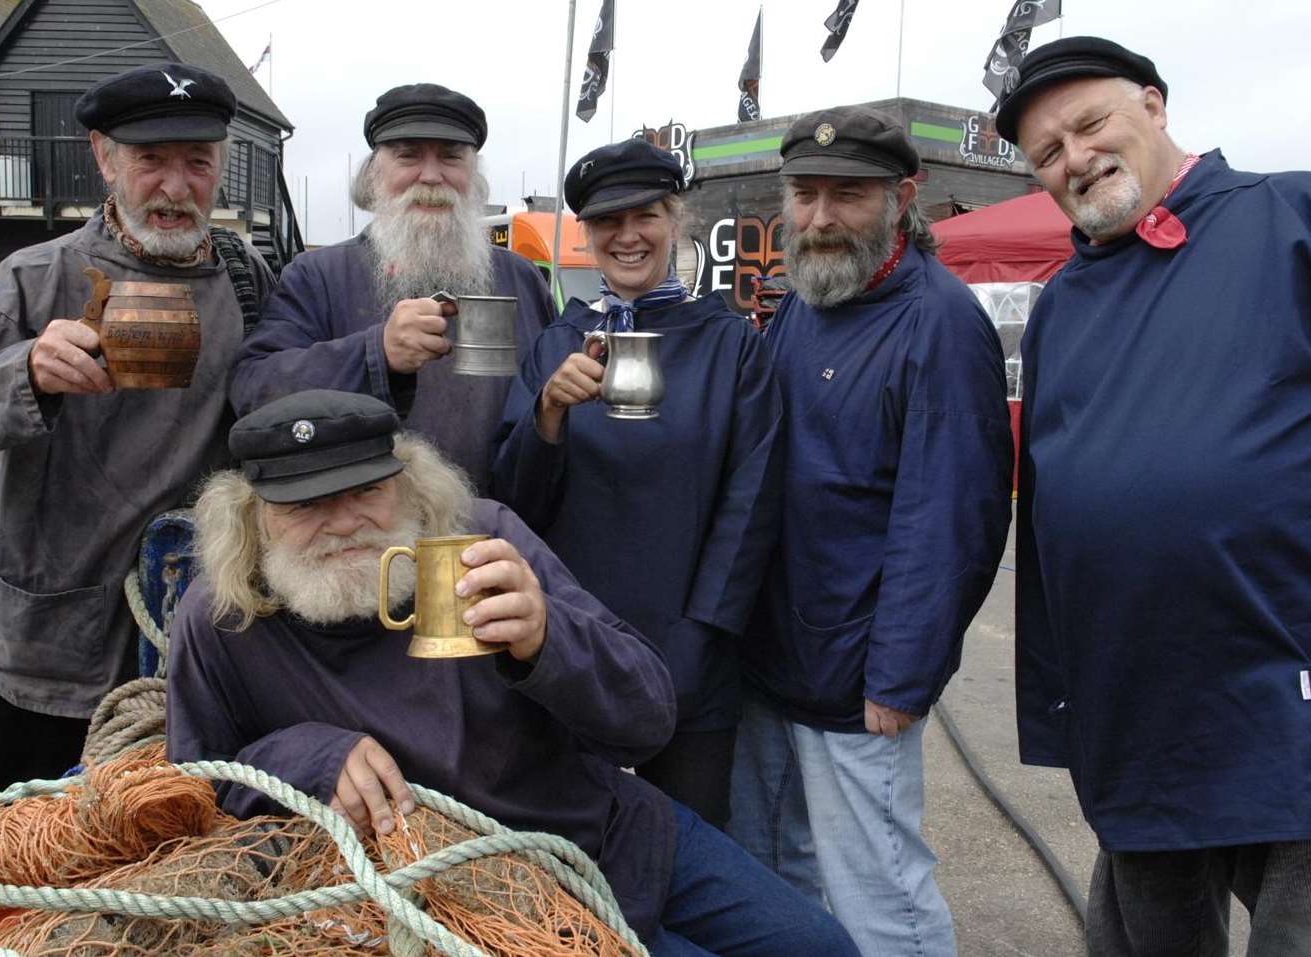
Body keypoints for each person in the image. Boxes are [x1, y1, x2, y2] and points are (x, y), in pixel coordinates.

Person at [165, 389, 858, 957]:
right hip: (459, 898)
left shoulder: (481, 540)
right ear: (252, 518)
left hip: (599, 829)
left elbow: (648, 718)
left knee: (822, 946)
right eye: (303, 504)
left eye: (366, 490)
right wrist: (306, 756)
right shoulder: (224, 615)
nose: (344, 522)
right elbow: (189, 797)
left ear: (408, 485)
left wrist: (547, 638)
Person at [995, 36, 1311, 956]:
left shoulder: (1305, 216)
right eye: (1047, 154)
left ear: (1153, 105)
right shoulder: (1064, 302)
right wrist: (1066, 703)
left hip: (1298, 696)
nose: (1075, 159)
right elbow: (1056, 506)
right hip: (1137, 712)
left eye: (1090, 123)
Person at [0, 63, 275, 791]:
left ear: (220, 167)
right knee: (27, 873)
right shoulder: (34, 277)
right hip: (50, 661)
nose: (176, 188)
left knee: (165, 869)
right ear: (103, 158)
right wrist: (24, 371)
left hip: (188, 656)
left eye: (197, 162)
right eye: (150, 161)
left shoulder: (249, 285)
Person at [728, 106, 1014, 956]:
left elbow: (952, 519)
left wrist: (902, 674)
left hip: (860, 680)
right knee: (774, 877)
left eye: (847, 195)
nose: (819, 218)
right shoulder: (807, 303)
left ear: (903, 194)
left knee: (881, 898)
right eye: (804, 195)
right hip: (771, 659)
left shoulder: (939, 321)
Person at [491, 138, 782, 829]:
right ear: (586, 236)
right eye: (606, 222)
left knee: (690, 848)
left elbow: (752, 502)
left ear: (675, 220)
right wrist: (548, 413)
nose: (627, 236)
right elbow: (514, 500)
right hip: (572, 646)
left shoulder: (731, 343)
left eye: (644, 214)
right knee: (570, 848)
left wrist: (699, 636)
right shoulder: (558, 341)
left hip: (689, 649)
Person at [230, 83, 555, 493]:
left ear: (476, 177)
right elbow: (254, 389)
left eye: (452, 156)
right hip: (364, 538)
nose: (432, 175)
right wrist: (376, 354)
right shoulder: (319, 276)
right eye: (408, 155)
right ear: (373, 175)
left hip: (501, 536)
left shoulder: (522, 279)